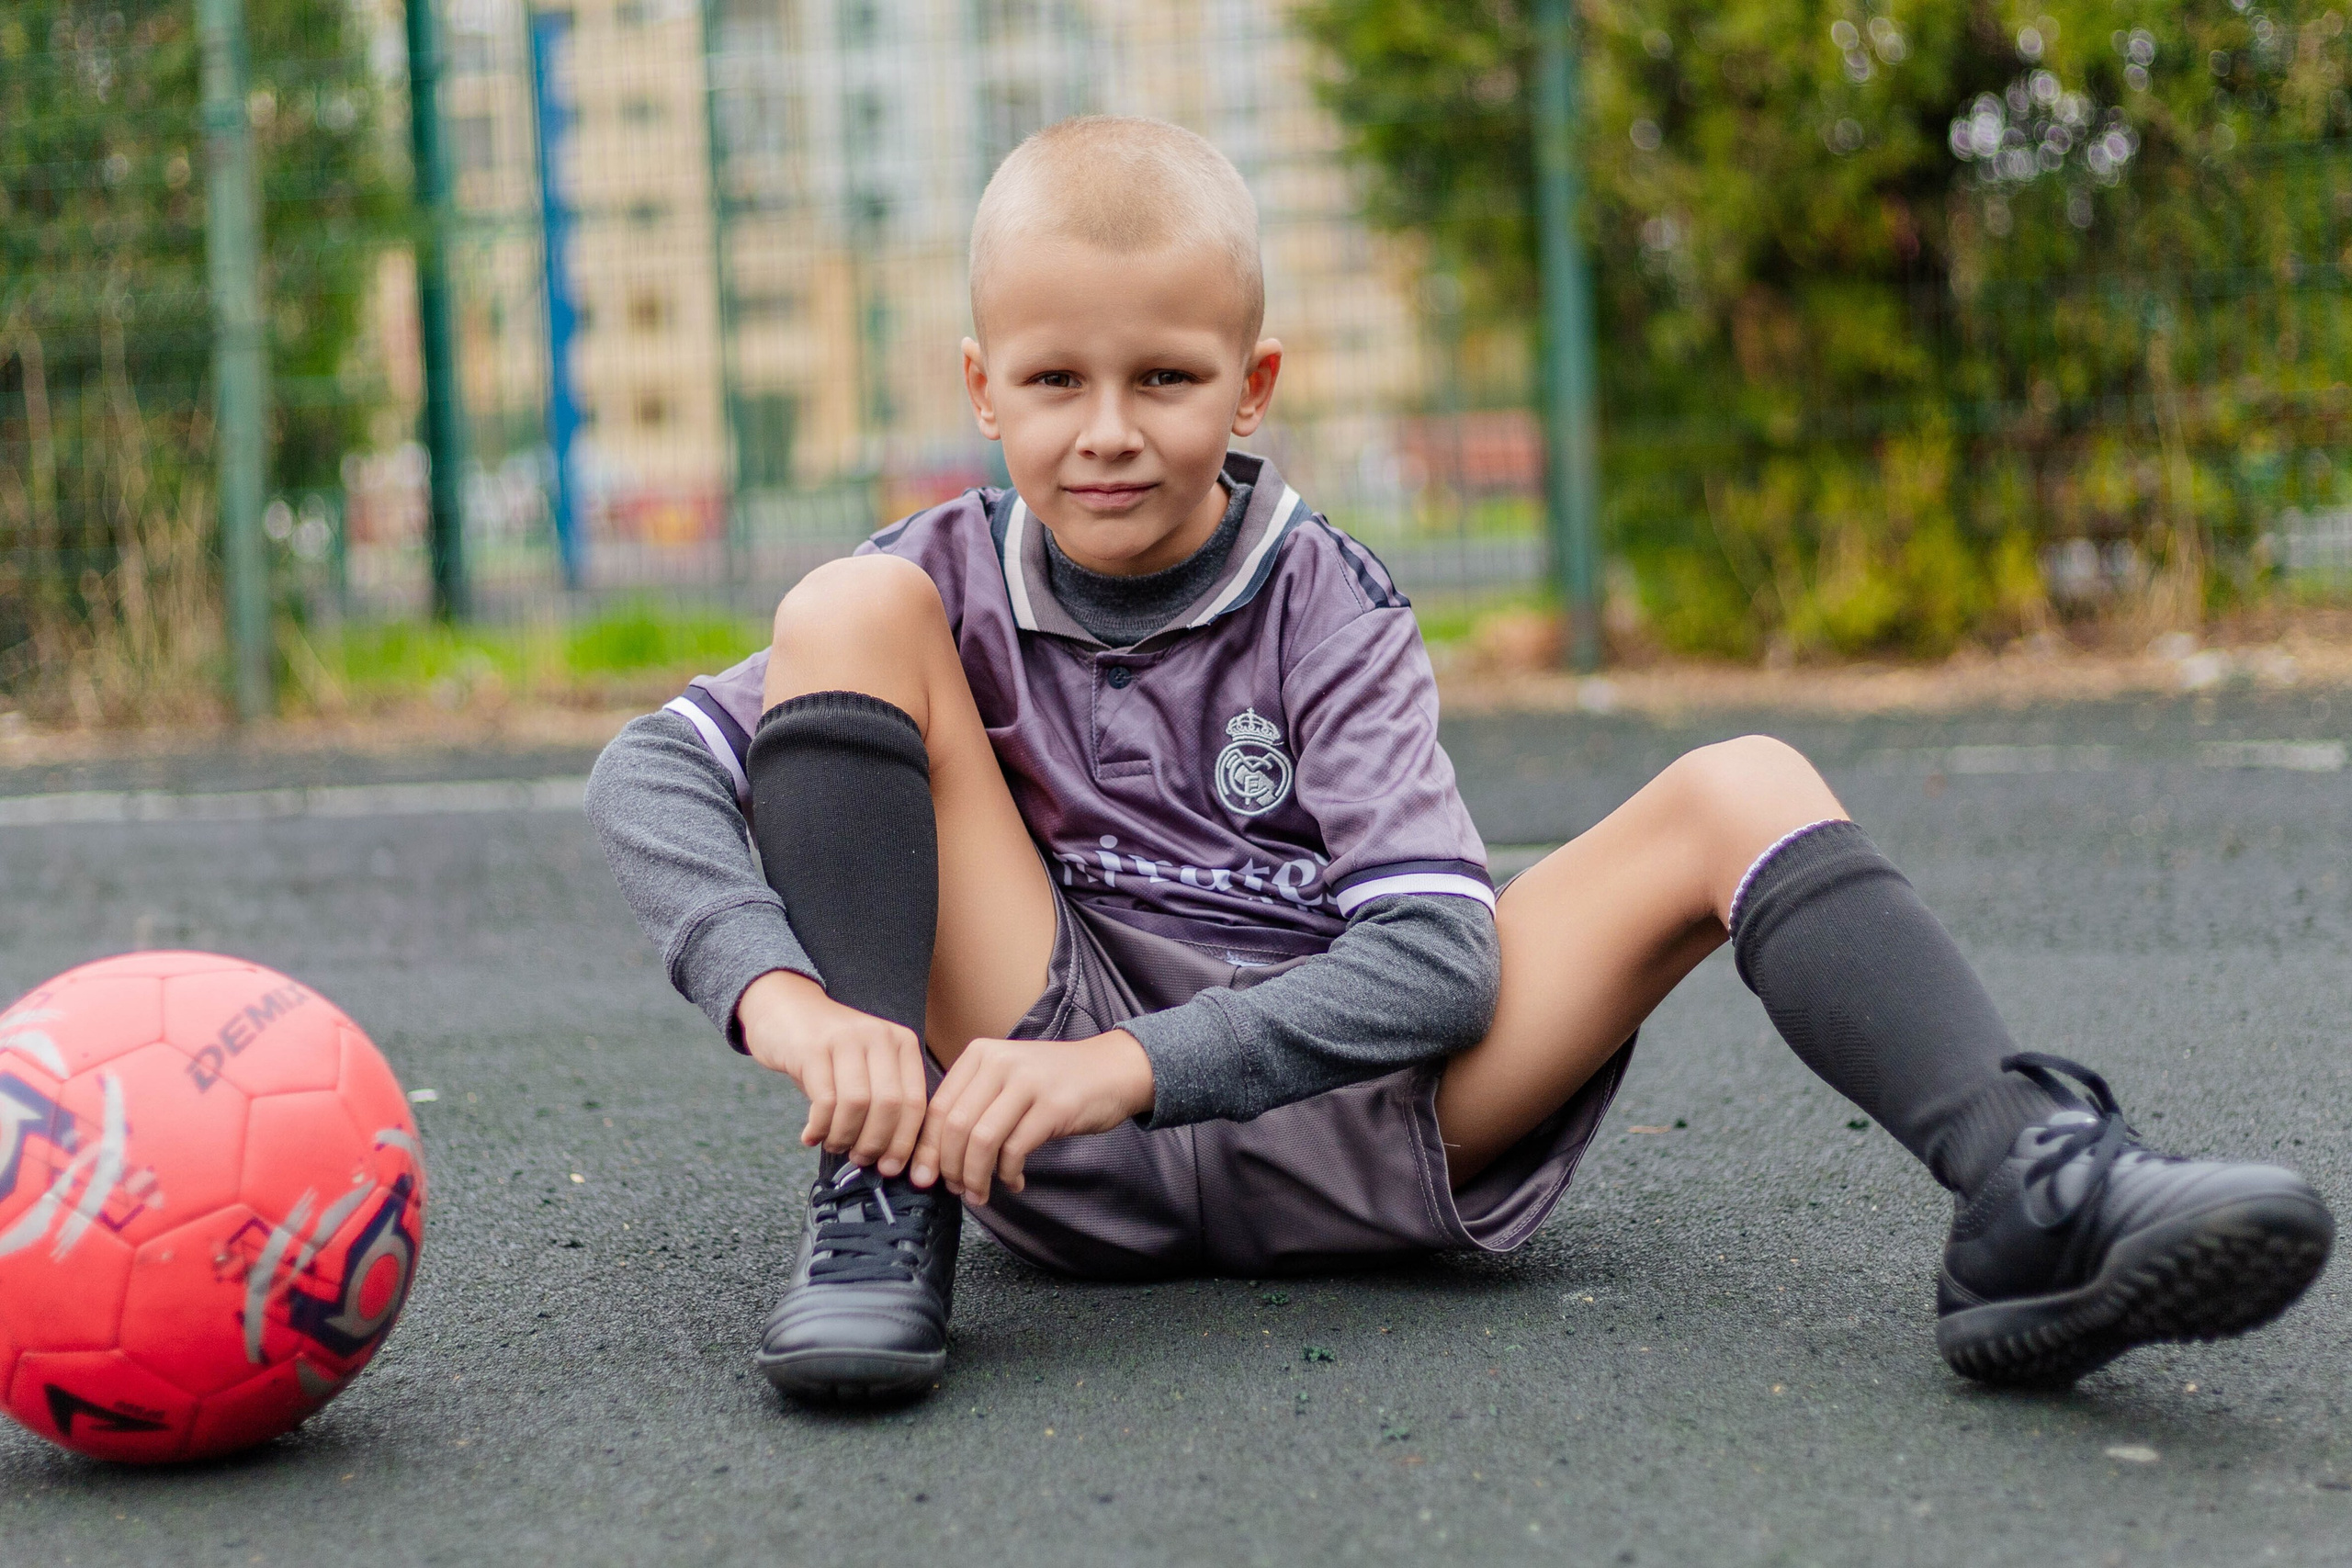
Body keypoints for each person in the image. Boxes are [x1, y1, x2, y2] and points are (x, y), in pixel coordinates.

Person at [585, 116, 2333, 1403]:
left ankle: (2032, 1183)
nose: (1107, 430)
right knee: (844, 608)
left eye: (1165, 379)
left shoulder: (1331, 604)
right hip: (1023, 1122)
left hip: (1357, 1127)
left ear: (1251, 385)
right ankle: (879, 1197)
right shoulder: (944, 573)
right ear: (983, 385)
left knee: (1740, 780)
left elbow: (1438, 956)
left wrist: (1131, 1069)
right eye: (1054, 380)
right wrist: (794, 1009)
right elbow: (645, 774)